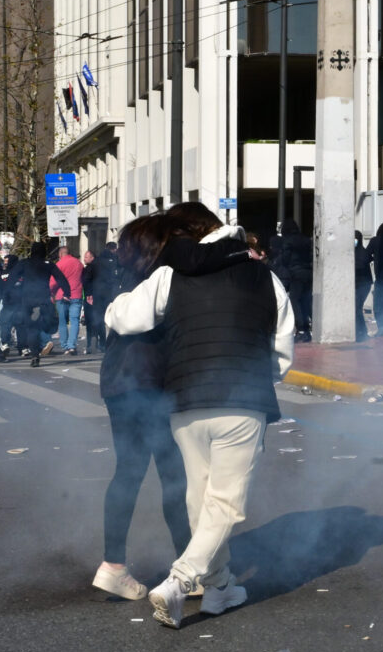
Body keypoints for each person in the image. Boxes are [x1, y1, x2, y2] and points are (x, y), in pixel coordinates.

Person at [105, 202, 294, 629]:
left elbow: (126, 318)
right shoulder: (264, 276)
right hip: (241, 401)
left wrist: (110, 306)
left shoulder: (169, 274)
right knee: (224, 502)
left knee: (199, 498)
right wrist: (260, 377)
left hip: (185, 402)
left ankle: (219, 586)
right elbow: (282, 349)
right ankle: (180, 579)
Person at [91, 216, 192, 601]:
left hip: (119, 381)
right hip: (151, 381)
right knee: (174, 474)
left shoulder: (125, 277)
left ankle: (113, 565)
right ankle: (189, 568)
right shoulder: (163, 277)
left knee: (129, 472)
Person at [6, 242, 69, 366]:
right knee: (48, 322)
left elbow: (11, 278)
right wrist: (67, 292)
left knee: (31, 329)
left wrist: (7, 294)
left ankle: (35, 355)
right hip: (43, 299)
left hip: (28, 300)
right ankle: (45, 331)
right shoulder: (48, 264)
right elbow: (60, 278)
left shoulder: (24, 263)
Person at [270, 219, 313, 342]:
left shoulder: (288, 241)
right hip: (308, 272)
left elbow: (285, 258)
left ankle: (301, 330)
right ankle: (307, 329)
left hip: (296, 273)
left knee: (294, 300)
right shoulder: (306, 239)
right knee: (305, 301)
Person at [51, 244, 85, 355]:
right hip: (76, 295)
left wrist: (51, 292)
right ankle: (72, 346)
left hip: (61, 295)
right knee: (74, 321)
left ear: (60, 254)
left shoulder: (59, 264)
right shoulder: (79, 263)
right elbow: (83, 278)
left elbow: (53, 282)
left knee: (62, 321)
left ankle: (65, 346)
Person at [353, 230, 372, 341]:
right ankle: (359, 332)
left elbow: (360, 265)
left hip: (363, 284)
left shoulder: (362, 252)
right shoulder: (356, 252)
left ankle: (362, 332)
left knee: (357, 307)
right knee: (357, 308)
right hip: (359, 283)